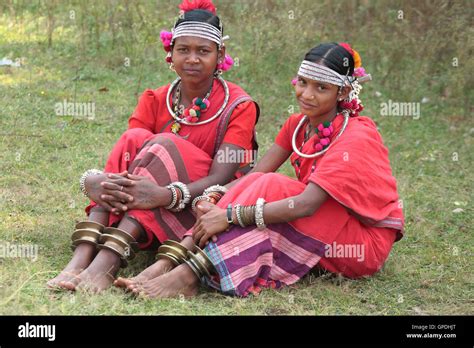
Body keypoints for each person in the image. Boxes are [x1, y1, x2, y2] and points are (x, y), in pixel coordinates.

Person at [123, 42, 404, 298]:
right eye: (303, 83)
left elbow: (307, 205)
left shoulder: (355, 137)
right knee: (261, 181)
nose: (307, 95)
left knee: (273, 187)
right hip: (323, 222)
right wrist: (214, 197)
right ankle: (167, 262)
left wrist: (229, 216)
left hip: (360, 242)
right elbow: (254, 175)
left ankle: (185, 276)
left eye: (321, 88)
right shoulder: (298, 124)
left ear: (342, 91)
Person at [47, 0, 259, 292]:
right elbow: (131, 159)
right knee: (133, 139)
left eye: (203, 51)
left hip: (202, 202)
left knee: (163, 143)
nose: (193, 59)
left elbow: (222, 177)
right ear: (170, 53)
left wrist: (164, 194)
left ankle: (106, 262)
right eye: (183, 50)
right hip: (146, 197)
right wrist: (94, 180)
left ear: (220, 54)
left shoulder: (238, 106)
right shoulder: (155, 99)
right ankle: (83, 253)